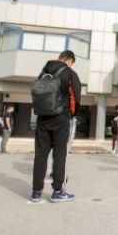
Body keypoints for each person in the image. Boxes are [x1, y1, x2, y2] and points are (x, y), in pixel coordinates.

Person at [30, 50, 81, 203]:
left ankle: (36, 192)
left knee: (40, 154)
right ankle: (57, 191)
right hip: (61, 117)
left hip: (42, 118)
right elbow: (76, 97)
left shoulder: (43, 72)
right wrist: (71, 114)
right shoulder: (70, 73)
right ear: (69, 60)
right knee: (59, 154)